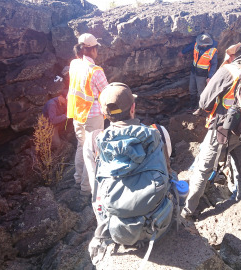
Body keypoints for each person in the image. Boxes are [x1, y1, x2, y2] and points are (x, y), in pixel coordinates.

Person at [181, 43, 241, 219]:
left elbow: (204, 103)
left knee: (203, 169)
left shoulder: (229, 70)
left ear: (234, 55)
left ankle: (188, 210)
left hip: (223, 130)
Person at [86, 82, 172, 265]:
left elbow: (97, 193)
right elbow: (167, 171)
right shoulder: (159, 133)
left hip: (117, 231)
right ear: (133, 108)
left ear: (104, 114)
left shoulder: (93, 142)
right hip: (157, 225)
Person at [67, 33, 109, 194]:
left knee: (81, 146)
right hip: (92, 116)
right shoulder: (95, 71)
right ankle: (86, 188)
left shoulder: (74, 64)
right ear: (92, 50)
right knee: (91, 150)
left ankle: (78, 178)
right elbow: (106, 93)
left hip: (78, 113)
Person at [181, 33, 218, 115]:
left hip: (202, 74)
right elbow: (191, 46)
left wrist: (210, 77)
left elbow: (214, 64)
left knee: (201, 92)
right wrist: (183, 52)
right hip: (193, 71)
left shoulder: (212, 51)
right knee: (192, 89)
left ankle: (199, 109)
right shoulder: (197, 44)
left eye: (201, 44)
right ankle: (192, 107)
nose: (199, 44)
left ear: (206, 44)